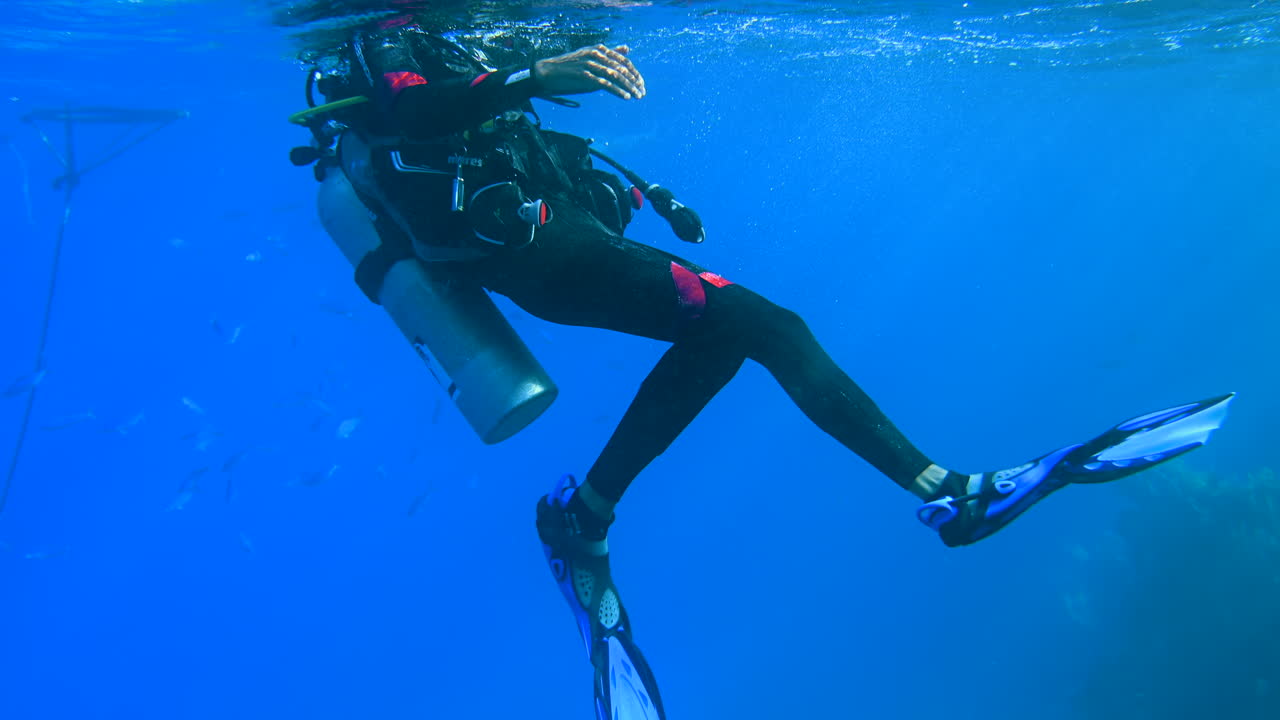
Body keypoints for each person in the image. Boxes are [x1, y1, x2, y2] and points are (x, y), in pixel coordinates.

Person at [290, 17, 1233, 720]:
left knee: (728, 335)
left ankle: (584, 523)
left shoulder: (465, 26)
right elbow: (407, 107)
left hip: (556, 232)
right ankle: (949, 494)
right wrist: (537, 69)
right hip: (530, 253)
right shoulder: (389, 30)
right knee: (763, 323)